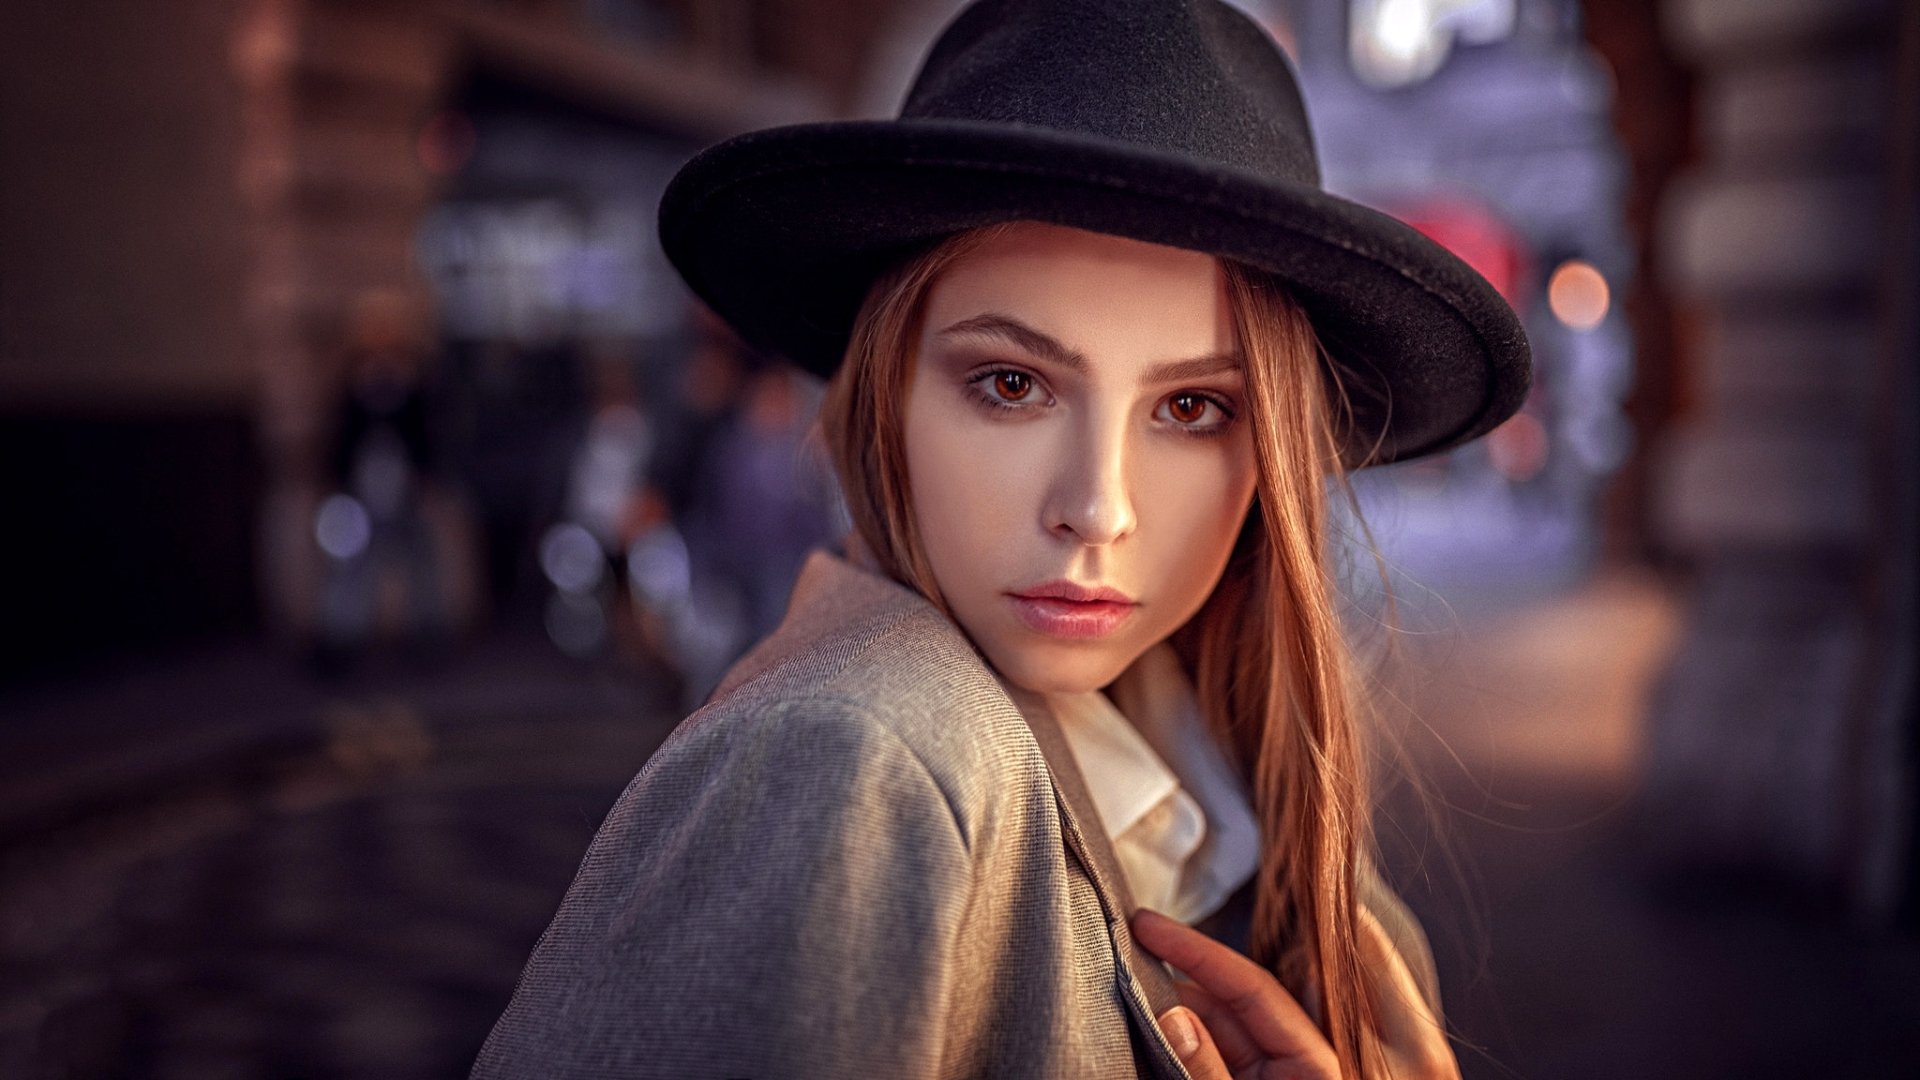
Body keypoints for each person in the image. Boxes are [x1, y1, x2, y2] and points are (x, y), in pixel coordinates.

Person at [472, 1, 1530, 1077]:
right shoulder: (858, 758)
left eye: (1194, 408)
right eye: (1012, 384)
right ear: (885, 398)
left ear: (1272, 450)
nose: (1098, 508)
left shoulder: (1233, 764)